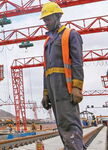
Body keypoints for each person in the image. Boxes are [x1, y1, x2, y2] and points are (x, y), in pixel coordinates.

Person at [40, 2, 84, 150]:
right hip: (53, 90)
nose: (46, 23)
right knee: (62, 125)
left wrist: (77, 87)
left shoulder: (71, 35)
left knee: (70, 124)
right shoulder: (48, 42)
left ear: (58, 16)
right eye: (44, 20)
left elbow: (77, 63)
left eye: (48, 19)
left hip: (66, 88)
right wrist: (46, 93)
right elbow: (46, 69)